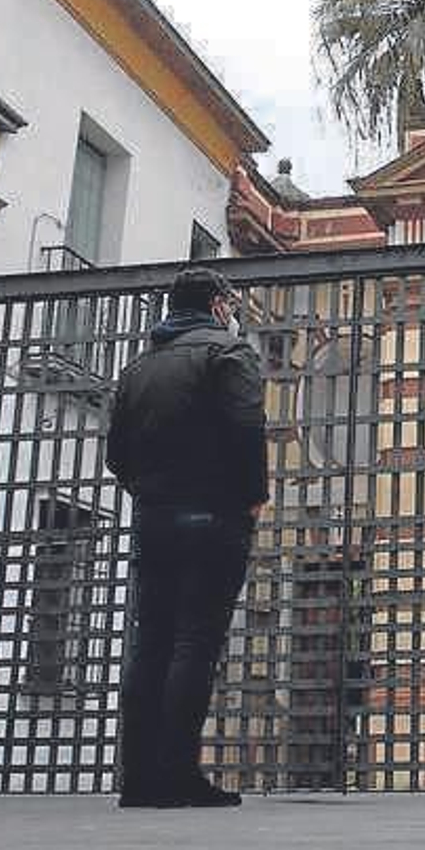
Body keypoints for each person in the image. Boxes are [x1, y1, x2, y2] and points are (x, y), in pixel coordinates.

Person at [106, 268, 269, 809]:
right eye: (232, 303)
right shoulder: (229, 353)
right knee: (194, 643)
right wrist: (250, 494)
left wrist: (150, 492)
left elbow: (117, 455)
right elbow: (247, 425)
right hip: (213, 513)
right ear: (219, 305)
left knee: (149, 642)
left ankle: (138, 779)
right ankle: (177, 775)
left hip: (153, 517)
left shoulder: (138, 369)